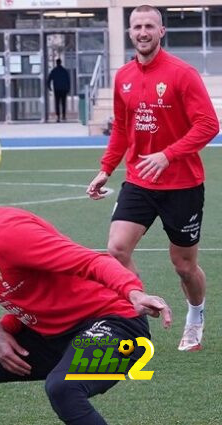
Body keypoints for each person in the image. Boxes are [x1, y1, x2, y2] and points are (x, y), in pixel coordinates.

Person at [0, 161, 172, 425]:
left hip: (118, 326)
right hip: (55, 334)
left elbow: (91, 261)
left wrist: (133, 292)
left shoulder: (6, 231)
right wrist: (2, 329)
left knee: (64, 388)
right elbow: (31, 298)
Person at [86, 5, 218, 352]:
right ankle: (142, 307)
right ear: (130, 32)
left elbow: (209, 125)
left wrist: (167, 154)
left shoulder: (182, 74)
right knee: (116, 248)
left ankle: (195, 314)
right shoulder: (124, 76)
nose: (142, 32)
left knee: (184, 266)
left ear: (162, 31)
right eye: (136, 26)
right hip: (140, 181)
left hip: (183, 185)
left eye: (149, 26)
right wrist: (105, 169)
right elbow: (122, 129)